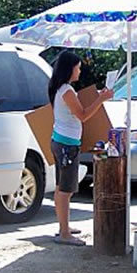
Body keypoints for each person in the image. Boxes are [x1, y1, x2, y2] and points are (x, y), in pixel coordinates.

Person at [49, 50, 113, 246]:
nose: (79, 71)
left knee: (61, 187)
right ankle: (64, 232)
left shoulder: (61, 89)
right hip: (67, 144)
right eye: (77, 68)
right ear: (70, 69)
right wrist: (100, 100)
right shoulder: (67, 91)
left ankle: (64, 226)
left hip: (61, 141)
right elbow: (83, 115)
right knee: (66, 190)